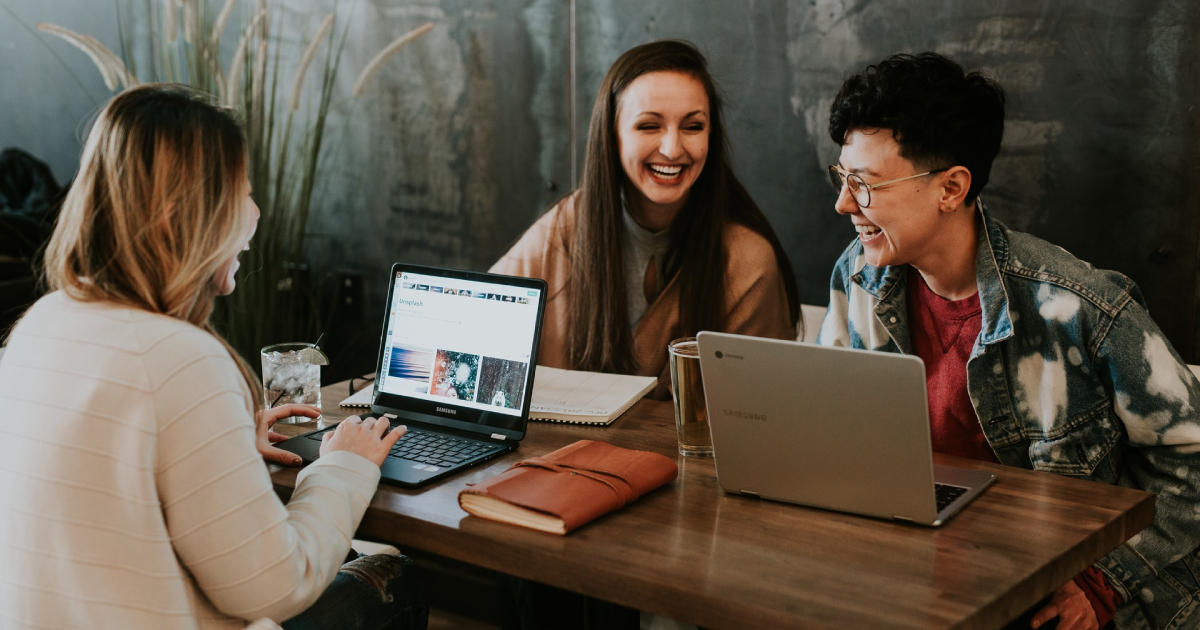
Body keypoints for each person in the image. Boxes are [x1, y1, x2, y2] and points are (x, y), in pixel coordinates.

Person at [0, 85, 427, 630]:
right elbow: (275, 589)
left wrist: (221, 442)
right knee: (396, 579)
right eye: (241, 194)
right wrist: (345, 466)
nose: (254, 213)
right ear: (179, 217)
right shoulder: (179, 359)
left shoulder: (39, 325)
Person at [817, 52, 1200, 630]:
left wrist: (1102, 583)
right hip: (923, 577)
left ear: (951, 188)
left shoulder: (1077, 307)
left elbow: (1191, 461)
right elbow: (835, 434)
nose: (845, 203)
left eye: (865, 184)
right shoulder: (859, 275)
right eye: (841, 177)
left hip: (1057, 594)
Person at [491, 39, 800, 399]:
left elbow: (761, 413)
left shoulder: (748, 261)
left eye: (693, 126)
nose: (672, 149)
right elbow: (476, 327)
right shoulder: (564, 228)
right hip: (555, 454)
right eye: (649, 126)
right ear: (612, 135)